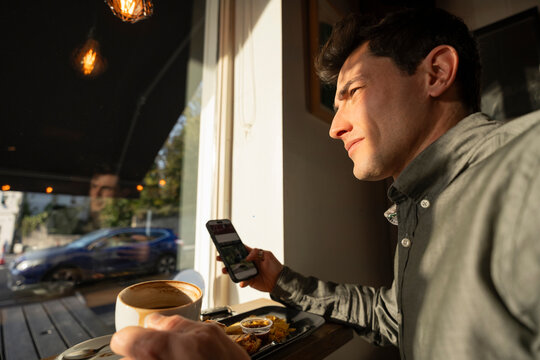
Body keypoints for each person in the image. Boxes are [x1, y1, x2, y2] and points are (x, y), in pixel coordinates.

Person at [111, 7, 540, 360]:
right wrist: (280, 281)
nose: (334, 128)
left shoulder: (526, 163)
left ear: (436, 72)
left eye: (352, 90)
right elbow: (394, 317)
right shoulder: (419, 203)